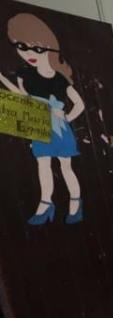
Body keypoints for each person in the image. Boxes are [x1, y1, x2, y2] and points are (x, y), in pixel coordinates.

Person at [1, 13, 85, 225]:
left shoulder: (59, 78)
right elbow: (23, 98)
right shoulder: (24, 73)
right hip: (38, 125)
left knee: (66, 167)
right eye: (21, 46)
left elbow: (80, 104)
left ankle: (75, 204)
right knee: (43, 165)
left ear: (48, 46)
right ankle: (45, 203)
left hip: (60, 128)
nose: (28, 53)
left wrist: (66, 115)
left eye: (36, 48)